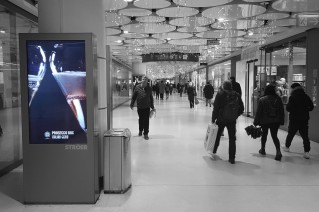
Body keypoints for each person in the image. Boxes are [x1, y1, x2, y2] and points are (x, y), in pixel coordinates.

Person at [211, 81, 244, 164]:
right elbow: (242, 108)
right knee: (232, 139)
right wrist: (236, 115)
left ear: (224, 87)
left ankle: (213, 152)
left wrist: (213, 119)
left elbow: (216, 108)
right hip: (232, 120)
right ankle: (232, 158)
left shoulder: (220, 94)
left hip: (221, 119)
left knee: (217, 136)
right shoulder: (236, 94)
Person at [282, 83, 314, 159]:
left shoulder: (292, 97)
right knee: (305, 136)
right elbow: (311, 107)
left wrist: (294, 110)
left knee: (291, 134)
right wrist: (305, 110)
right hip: (304, 119)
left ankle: (287, 147)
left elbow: (288, 108)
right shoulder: (306, 96)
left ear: (294, 89)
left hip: (294, 119)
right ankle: (306, 152)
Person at [253, 84, 285, 161]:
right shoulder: (278, 99)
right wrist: (282, 120)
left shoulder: (262, 99)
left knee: (264, 135)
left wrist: (256, 121)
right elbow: (281, 111)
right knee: (274, 136)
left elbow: (258, 112)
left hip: (265, 121)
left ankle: (263, 149)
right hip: (275, 121)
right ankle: (278, 152)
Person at [130, 76, 155, 140]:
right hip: (140, 106)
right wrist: (132, 104)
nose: (144, 80)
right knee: (141, 119)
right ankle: (140, 130)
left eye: (145, 79)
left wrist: (152, 106)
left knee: (146, 120)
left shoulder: (149, 88)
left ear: (147, 81)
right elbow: (134, 96)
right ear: (142, 80)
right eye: (143, 79)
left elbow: (151, 98)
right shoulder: (137, 87)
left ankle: (146, 134)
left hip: (147, 106)